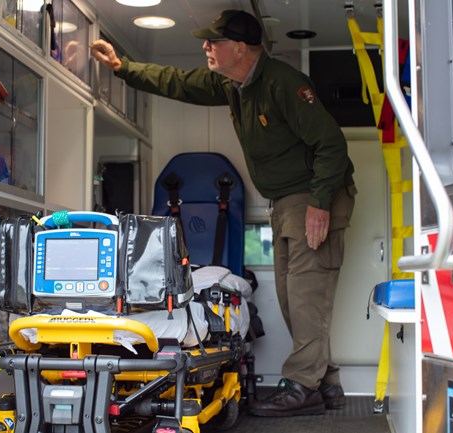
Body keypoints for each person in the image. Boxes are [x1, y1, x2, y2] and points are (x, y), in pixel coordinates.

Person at [91, 9, 355, 417]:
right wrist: (122, 67)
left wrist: (320, 203)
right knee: (295, 298)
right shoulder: (235, 85)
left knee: (305, 297)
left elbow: (332, 145)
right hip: (285, 200)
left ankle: (303, 385)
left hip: (313, 194)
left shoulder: (283, 83)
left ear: (241, 48)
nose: (206, 48)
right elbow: (177, 83)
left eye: (214, 42)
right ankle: (326, 382)